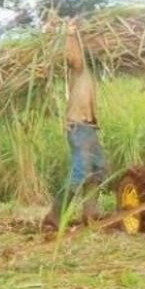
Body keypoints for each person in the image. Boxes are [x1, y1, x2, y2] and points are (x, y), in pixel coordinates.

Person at [43, 26, 107, 229]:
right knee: (80, 172)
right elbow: (74, 57)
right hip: (78, 128)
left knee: (99, 168)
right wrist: (71, 33)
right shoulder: (80, 69)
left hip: (89, 129)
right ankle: (55, 215)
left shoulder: (91, 74)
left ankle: (90, 214)